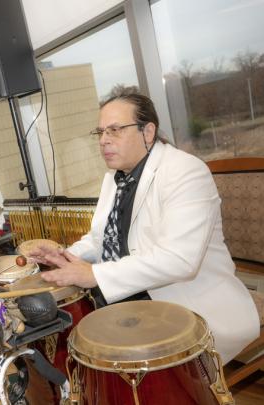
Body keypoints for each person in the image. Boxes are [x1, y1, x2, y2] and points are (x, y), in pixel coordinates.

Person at [27, 92, 259, 364]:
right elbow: (99, 239)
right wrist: (63, 256)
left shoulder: (186, 171)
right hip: (133, 296)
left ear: (148, 132)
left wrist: (95, 274)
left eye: (115, 130)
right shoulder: (115, 178)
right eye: (100, 132)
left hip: (187, 303)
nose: (103, 140)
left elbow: (180, 260)